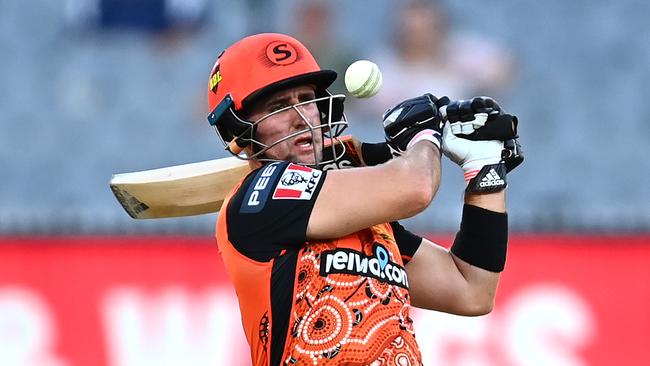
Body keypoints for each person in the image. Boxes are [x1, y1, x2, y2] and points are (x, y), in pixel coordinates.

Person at [206, 33, 522, 365]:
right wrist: (425, 136)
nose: (302, 117)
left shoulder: (366, 220)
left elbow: (471, 290)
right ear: (238, 128)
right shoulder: (262, 196)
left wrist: (484, 172)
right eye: (279, 107)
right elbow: (416, 187)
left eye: (306, 99)